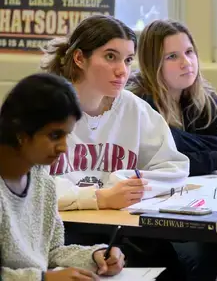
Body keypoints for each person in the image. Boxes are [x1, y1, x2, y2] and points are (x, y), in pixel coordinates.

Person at [40, 14, 189, 281]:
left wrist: (125, 182)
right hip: (58, 231)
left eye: (128, 60)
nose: (123, 70)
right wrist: (100, 196)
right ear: (79, 59)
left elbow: (174, 167)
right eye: (111, 57)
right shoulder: (41, 108)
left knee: (167, 261)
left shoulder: (134, 108)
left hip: (118, 227)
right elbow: (24, 189)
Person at [0, 73, 124, 280]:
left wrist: (94, 256)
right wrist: (43, 279)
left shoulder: (42, 180)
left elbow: (53, 251)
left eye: (68, 135)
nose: (64, 148)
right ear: (20, 133)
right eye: (55, 135)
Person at [128, 19, 217, 176]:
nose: (186, 63)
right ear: (153, 64)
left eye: (189, 52)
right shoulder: (138, 103)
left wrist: (180, 141)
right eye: (172, 56)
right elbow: (157, 164)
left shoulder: (203, 96)